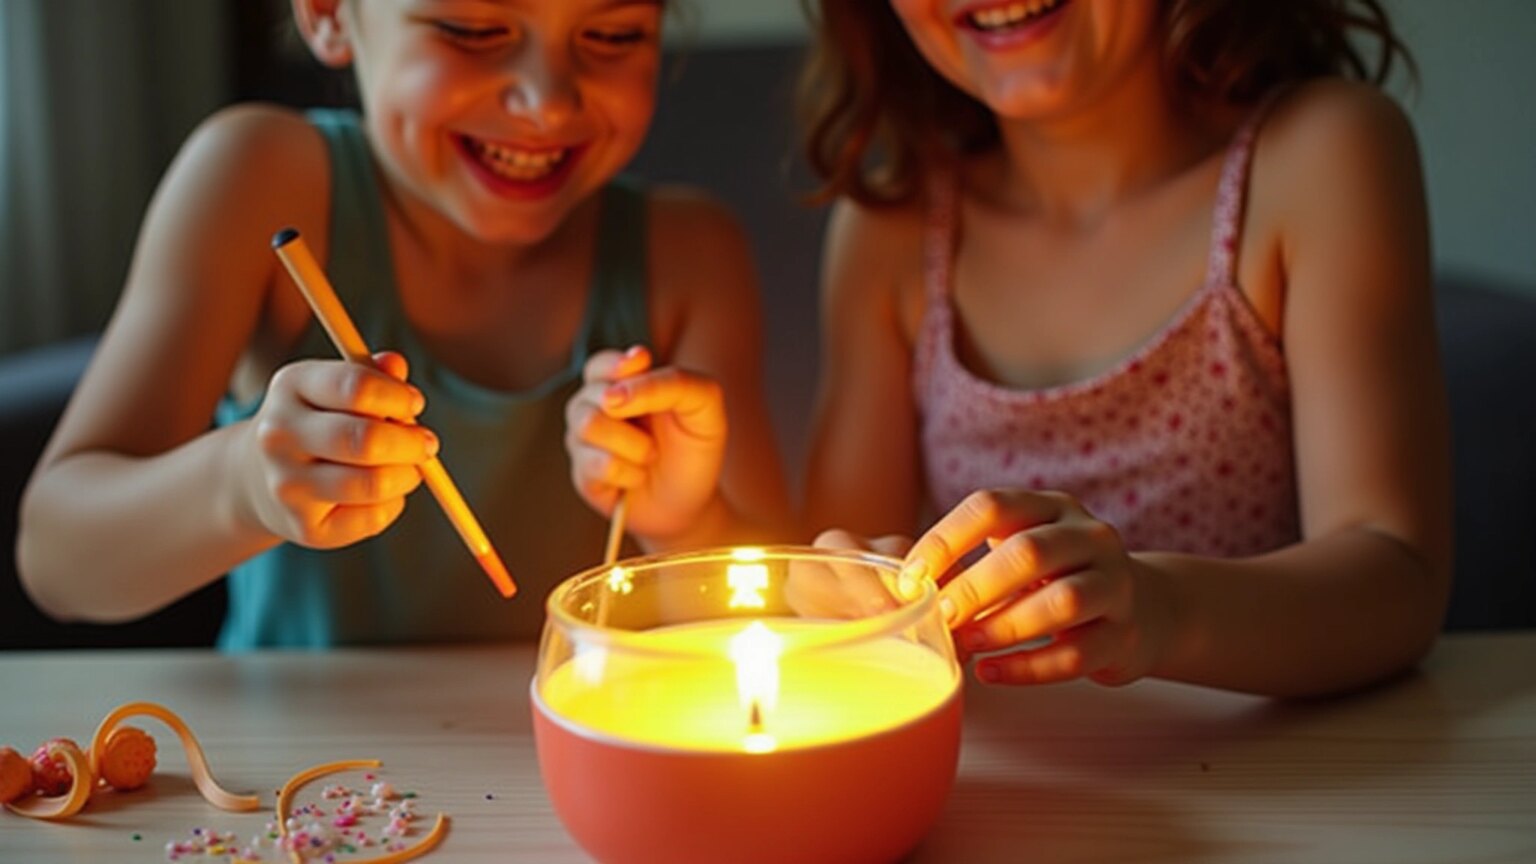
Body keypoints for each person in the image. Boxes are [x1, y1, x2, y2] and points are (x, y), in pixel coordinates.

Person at [17, 0, 788, 648]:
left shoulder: (690, 254)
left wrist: (687, 522)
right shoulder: (257, 180)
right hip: (287, 782)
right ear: (327, 13)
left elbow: (781, 618)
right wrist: (242, 484)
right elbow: (57, 558)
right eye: (472, 30)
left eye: (613, 35)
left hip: (554, 791)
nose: (548, 100)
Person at [795, 0, 1452, 698]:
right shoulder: (890, 232)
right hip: (1007, 783)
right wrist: (846, 586)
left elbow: (1399, 579)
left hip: (1271, 773)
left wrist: (1161, 607)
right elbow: (833, 565)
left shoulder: (1318, 155)